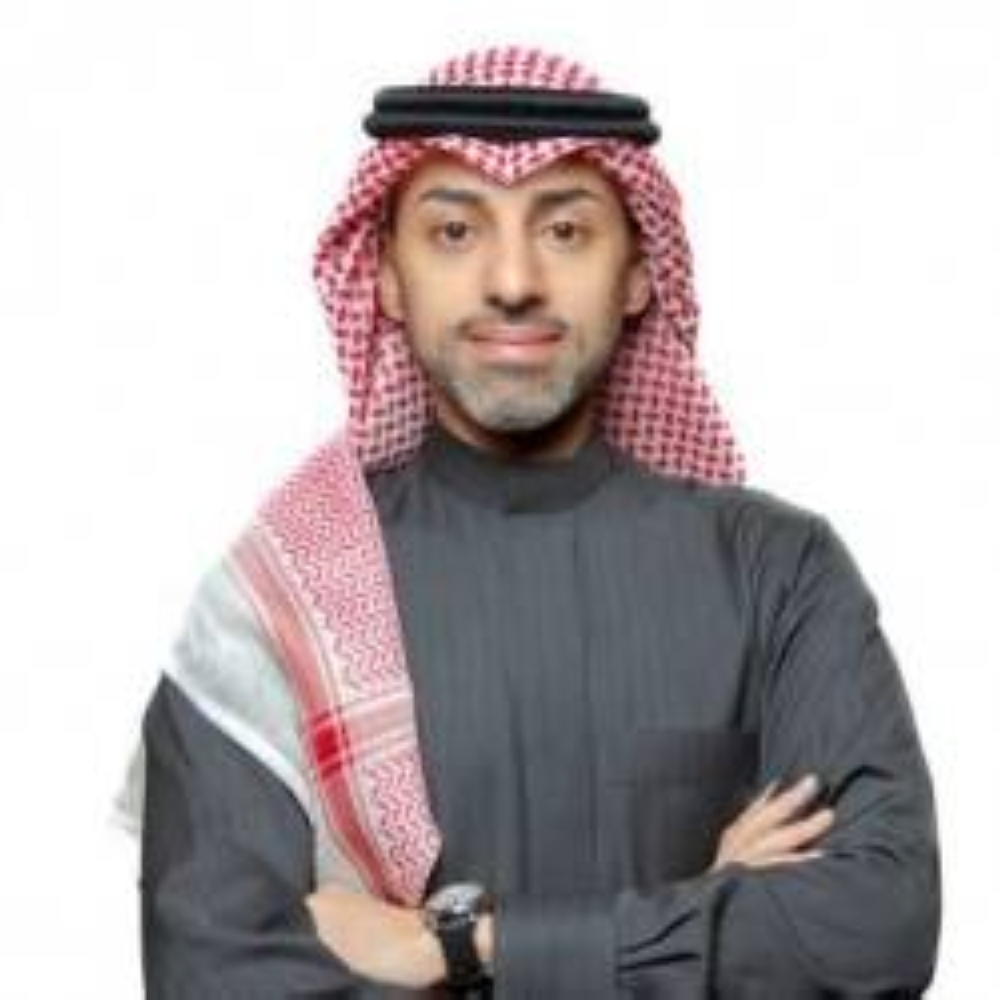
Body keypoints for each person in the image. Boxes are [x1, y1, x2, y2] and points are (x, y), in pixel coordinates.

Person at [116, 46, 941, 997]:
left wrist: (458, 945)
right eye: (454, 231)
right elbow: (215, 977)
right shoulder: (282, 599)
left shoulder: (776, 574)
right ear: (385, 277)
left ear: (638, 273)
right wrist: (698, 914)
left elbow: (872, 929)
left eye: (565, 230)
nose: (512, 280)